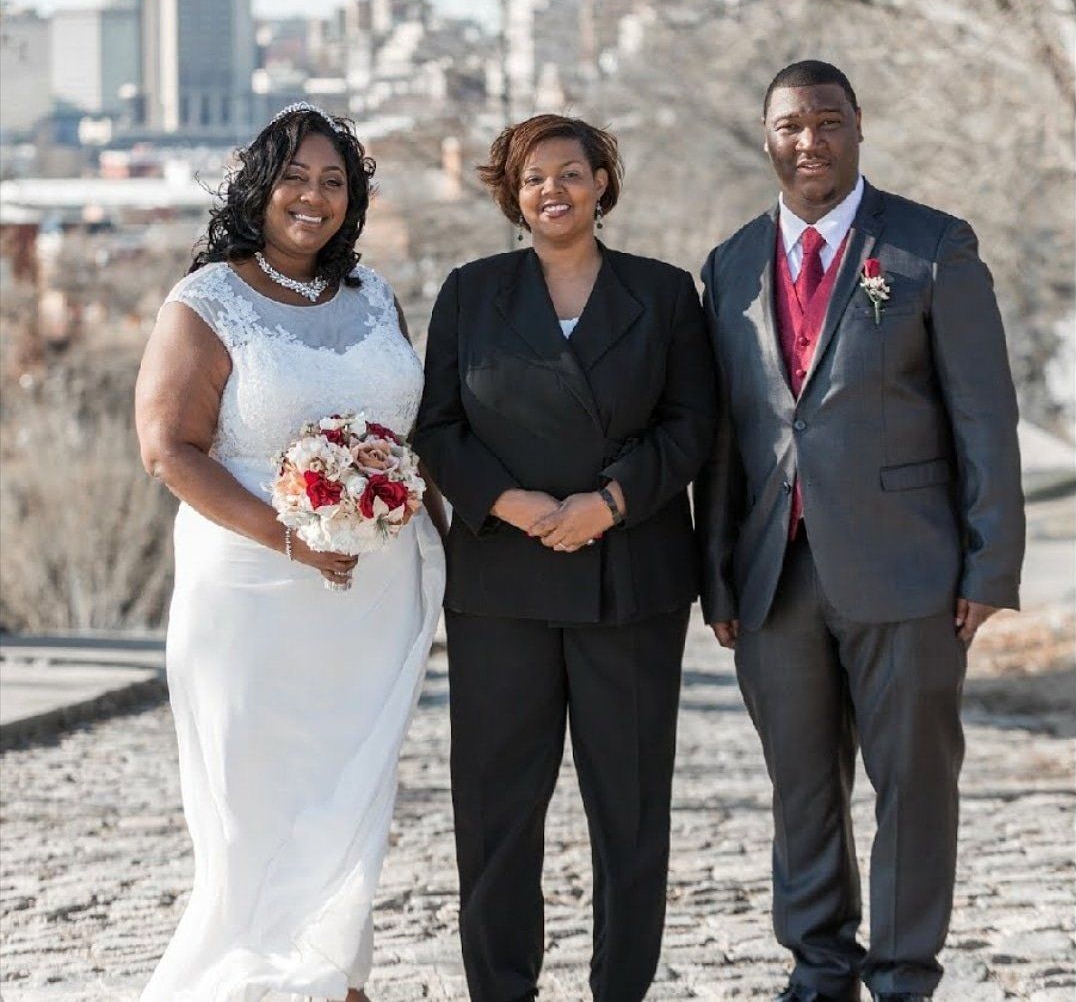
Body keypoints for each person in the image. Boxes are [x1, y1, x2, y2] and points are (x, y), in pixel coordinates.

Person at [696, 60, 1026, 1002]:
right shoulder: (728, 265)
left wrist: (989, 566)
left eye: (828, 121)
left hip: (909, 568)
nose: (811, 141)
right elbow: (725, 436)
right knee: (801, 790)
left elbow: (984, 415)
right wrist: (717, 576)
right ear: (767, 136)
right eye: (791, 125)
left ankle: (905, 976)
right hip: (773, 576)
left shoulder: (932, 246)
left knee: (914, 787)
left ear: (857, 125)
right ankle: (819, 970)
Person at [135, 103, 446, 1002]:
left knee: (352, 796)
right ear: (258, 188)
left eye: (333, 182)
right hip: (252, 596)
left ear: (353, 200)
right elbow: (168, 450)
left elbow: (412, 437)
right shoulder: (207, 301)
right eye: (295, 178)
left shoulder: (374, 296)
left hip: (373, 600)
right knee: (256, 808)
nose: (314, 197)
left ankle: (338, 978)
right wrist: (290, 538)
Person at [413, 114, 717, 1002]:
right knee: (497, 813)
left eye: (571, 172)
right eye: (534, 177)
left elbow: (693, 425)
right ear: (513, 195)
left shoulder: (664, 293)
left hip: (631, 583)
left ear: (601, 184)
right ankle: (501, 989)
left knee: (631, 813)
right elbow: (438, 427)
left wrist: (608, 504)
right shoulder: (470, 293)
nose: (554, 189)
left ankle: (621, 988)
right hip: (501, 586)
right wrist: (513, 505)